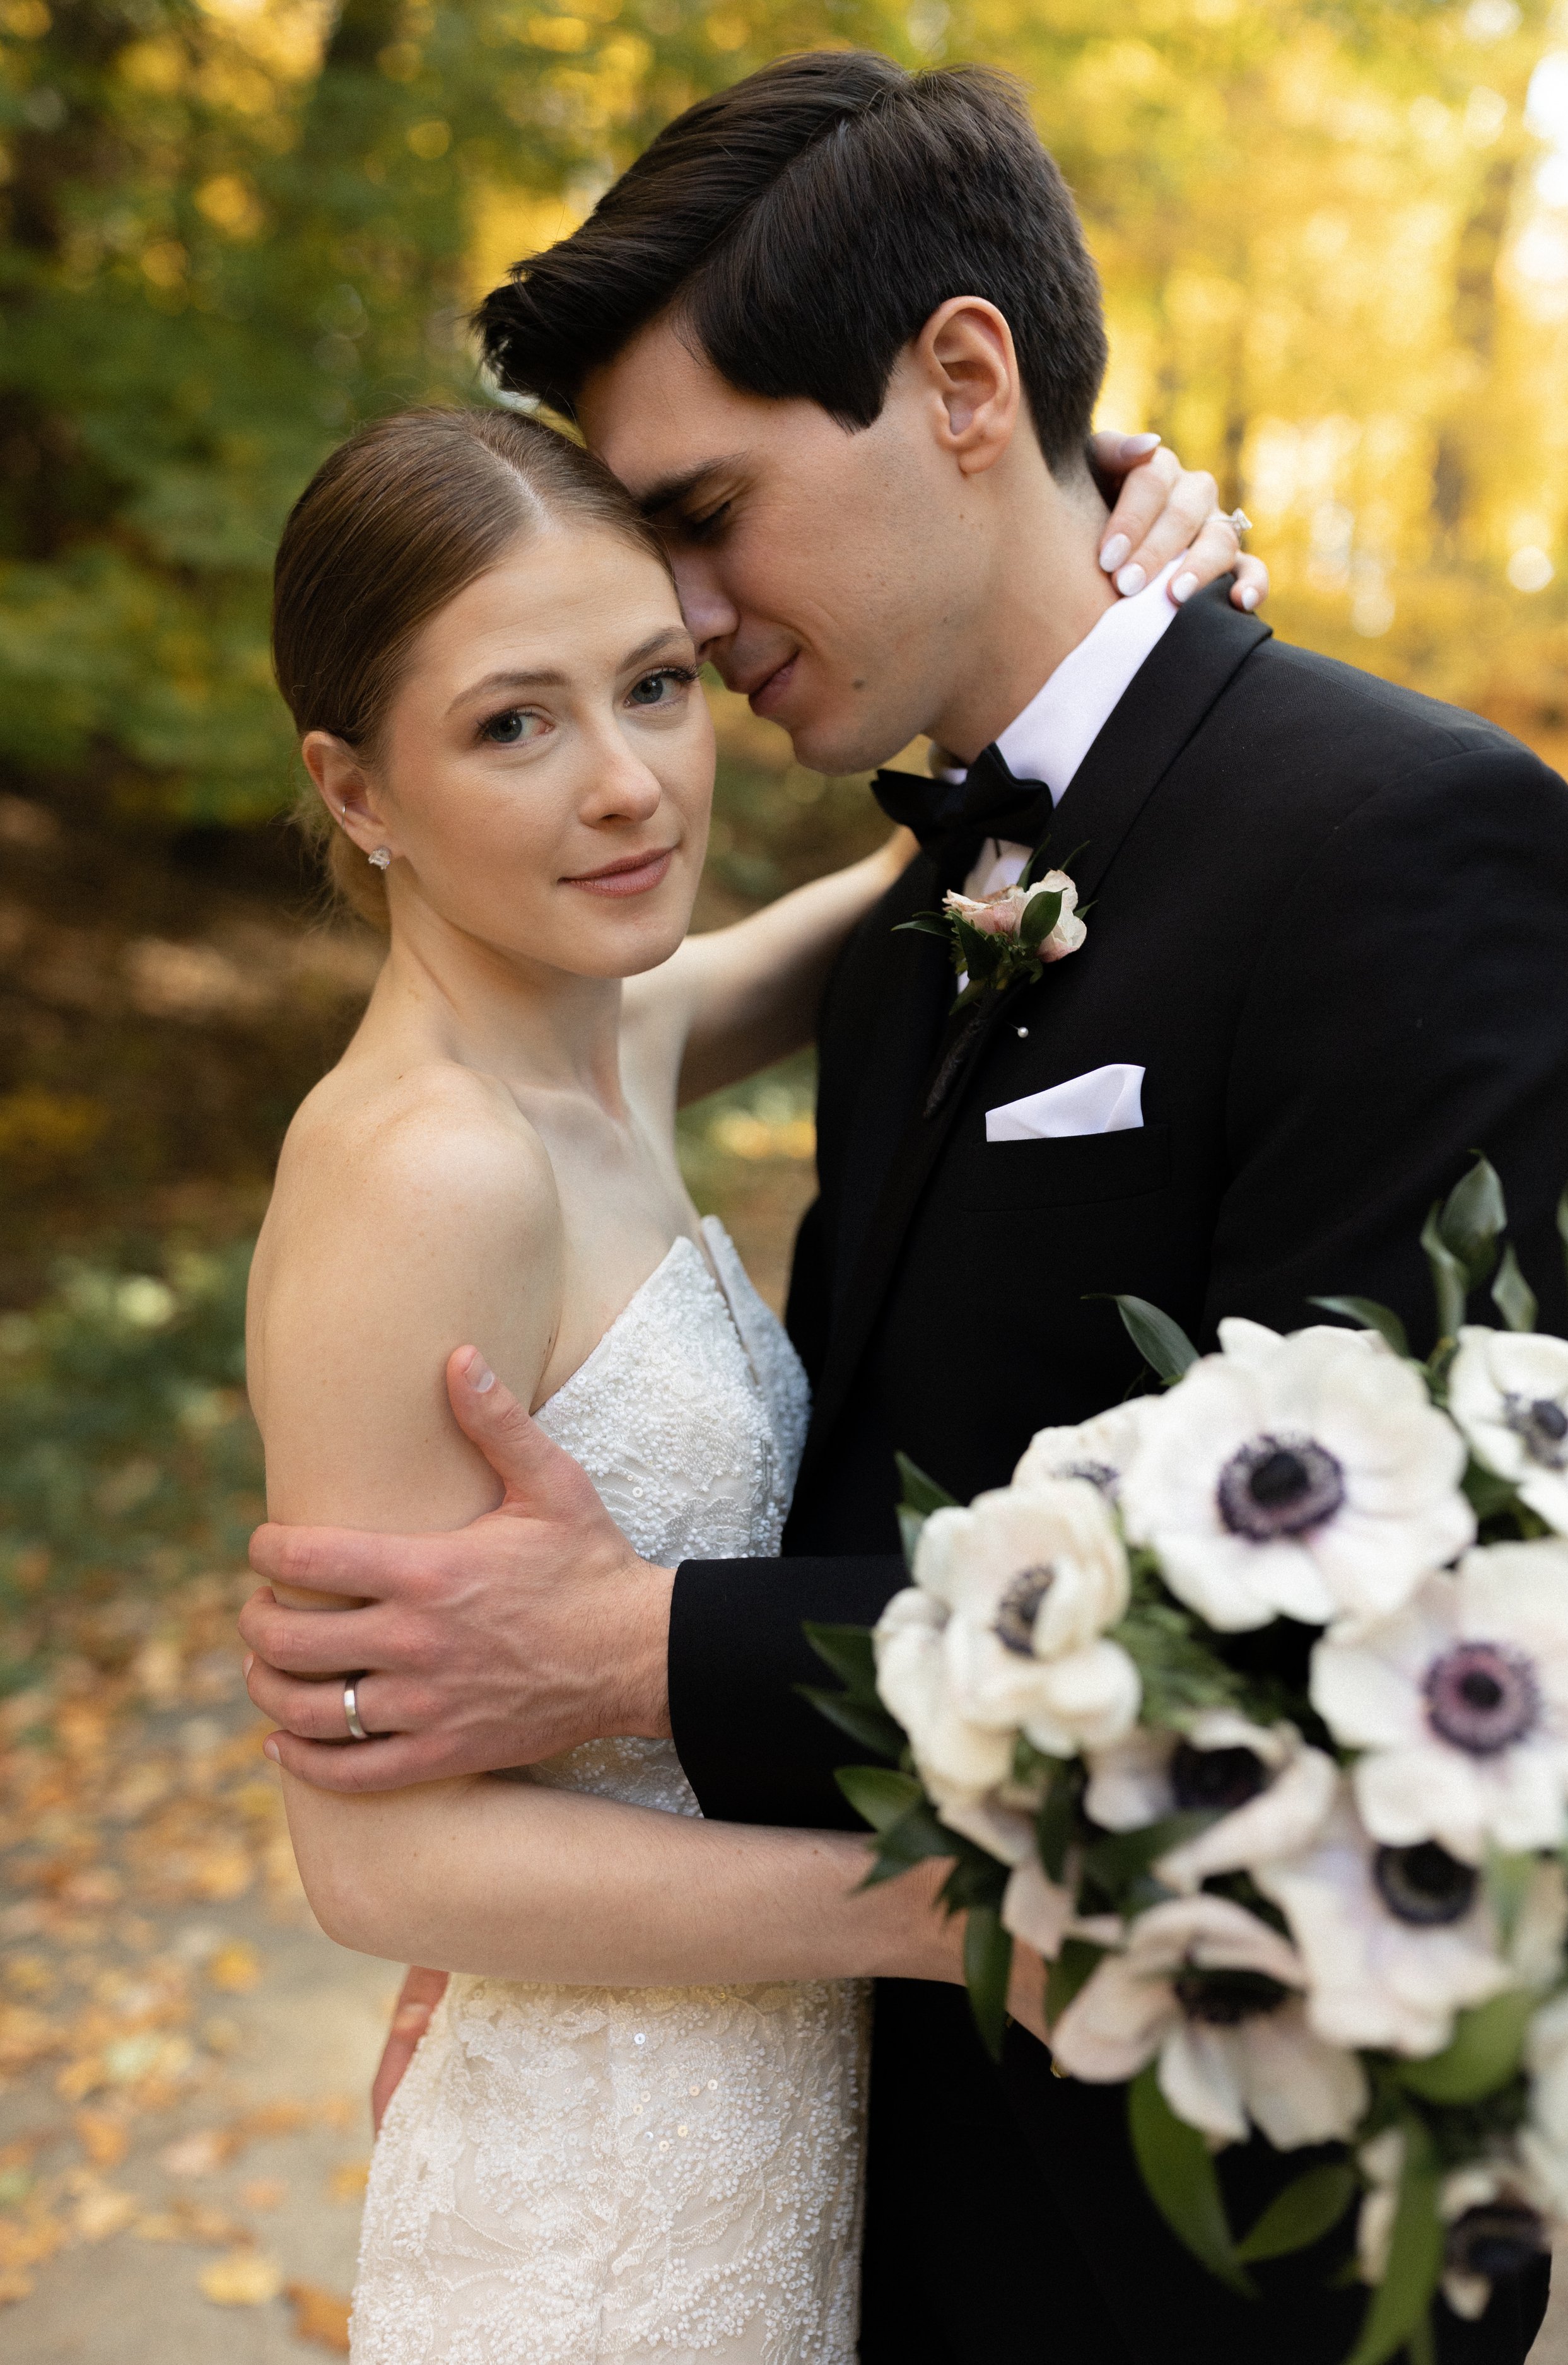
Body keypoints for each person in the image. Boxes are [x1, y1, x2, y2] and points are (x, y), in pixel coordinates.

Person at [243, 51, 1568, 2365]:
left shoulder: (1398, 845)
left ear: (966, 379)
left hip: (1205, 2236)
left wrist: (633, 1656)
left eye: (705, 524)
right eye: (530, 703)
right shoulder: (916, 898)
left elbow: (1407, 1617)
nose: (691, 631)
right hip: (835, 2172)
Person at [250, 400, 1239, 2362]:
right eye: (514, 724)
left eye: (653, 686)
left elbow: (937, 878)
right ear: (358, 790)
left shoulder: (605, 1038)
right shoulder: (425, 1168)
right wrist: (929, 1917)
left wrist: (1110, 591)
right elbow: (371, 1853)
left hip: (755, 2126)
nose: (628, 789)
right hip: (588, 2216)